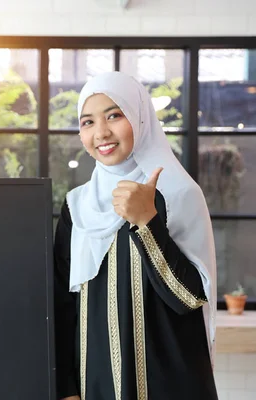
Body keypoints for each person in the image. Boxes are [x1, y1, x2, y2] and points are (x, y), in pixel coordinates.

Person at [53, 71, 218, 400]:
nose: (101, 132)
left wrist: (147, 222)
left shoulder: (178, 193)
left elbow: (190, 299)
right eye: (88, 122)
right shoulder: (77, 206)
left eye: (114, 115)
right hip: (96, 380)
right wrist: (66, 389)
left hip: (169, 382)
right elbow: (61, 304)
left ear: (140, 119)